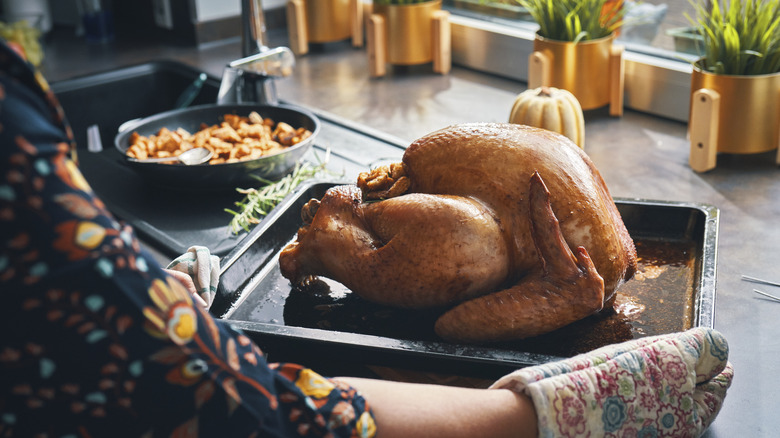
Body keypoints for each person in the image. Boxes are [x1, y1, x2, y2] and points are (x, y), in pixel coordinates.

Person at [0, 39, 732, 437]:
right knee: (474, 264)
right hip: (537, 236)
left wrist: (137, 292)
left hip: (525, 214)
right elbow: (239, 413)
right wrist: (535, 417)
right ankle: (320, 243)